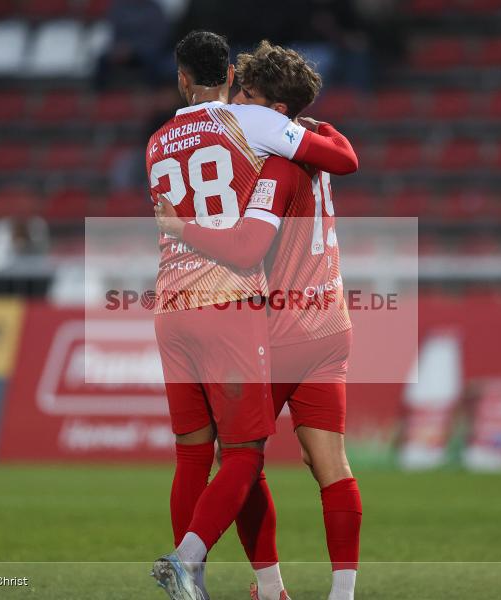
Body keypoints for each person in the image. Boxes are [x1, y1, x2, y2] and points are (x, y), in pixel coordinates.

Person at [146, 30, 357, 600]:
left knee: (201, 454)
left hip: (177, 303)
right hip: (290, 314)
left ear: (183, 78)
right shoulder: (257, 131)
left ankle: (219, 576)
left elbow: (239, 242)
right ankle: (336, 592)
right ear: (231, 80)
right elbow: (343, 159)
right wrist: (319, 129)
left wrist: (176, 228)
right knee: (288, 459)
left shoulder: (158, 140)